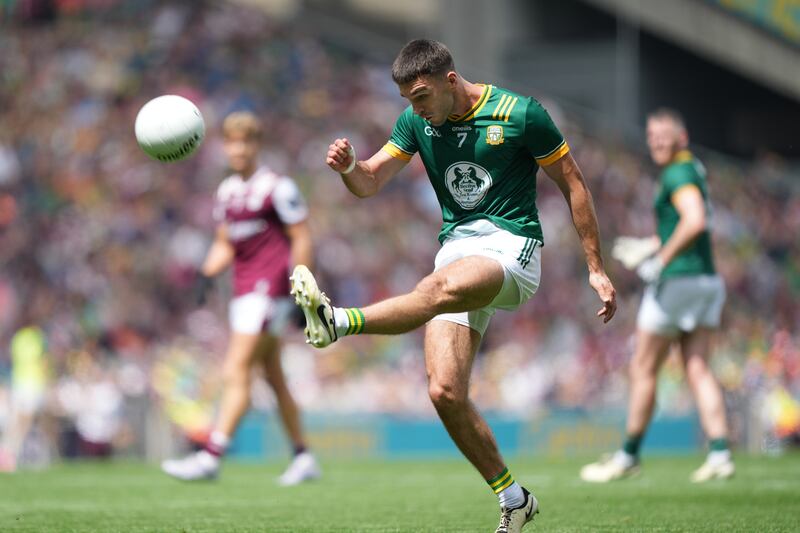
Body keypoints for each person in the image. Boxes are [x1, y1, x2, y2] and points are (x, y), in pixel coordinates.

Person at [290, 40, 616, 533]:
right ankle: (514, 497)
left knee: (437, 288)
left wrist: (595, 266)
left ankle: (337, 322)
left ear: (449, 80)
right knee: (444, 391)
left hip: (511, 248)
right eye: (407, 100)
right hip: (456, 250)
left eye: (420, 97)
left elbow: (573, 183)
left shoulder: (521, 114)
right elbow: (372, 180)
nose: (415, 109)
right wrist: (351, 168)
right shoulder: (416, 123)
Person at [162, 111, 320, 486]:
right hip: (243, 293)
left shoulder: (277, 187)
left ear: (256, 145)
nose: (237, 149)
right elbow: (224, 243)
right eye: (231, 141)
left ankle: (211, 455)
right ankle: (303, 456)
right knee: (273, 377)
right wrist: (205, 273)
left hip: (271, 292)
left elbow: (301, 237)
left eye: (244, 141)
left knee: (235, 369)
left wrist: (303, 290)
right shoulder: (227, 191)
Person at [580, 108, 733, 484]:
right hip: (705, 281)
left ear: (682, 137)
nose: (657, 141)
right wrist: (653, 244)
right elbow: (693, 222)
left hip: (678, 282)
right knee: (697, 368)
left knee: (644, 368)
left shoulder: (677, 171)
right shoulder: (692, 168)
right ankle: (720, 454)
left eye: (664, 134)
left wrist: (661, 258)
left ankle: (628, 456)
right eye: (652, 135)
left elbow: (694, 220)